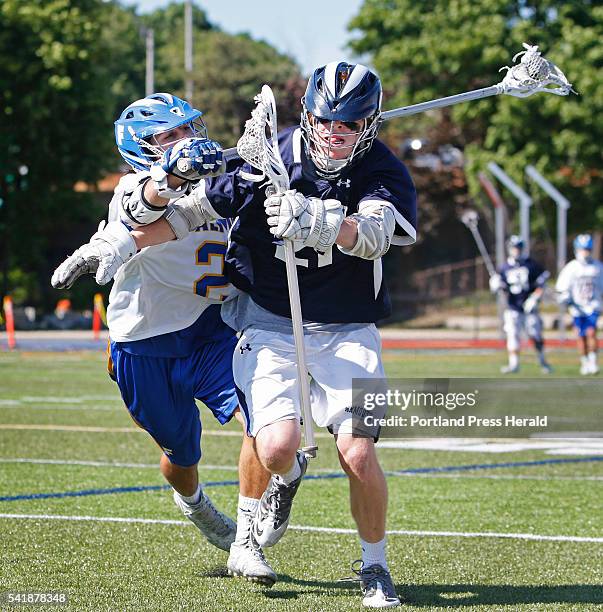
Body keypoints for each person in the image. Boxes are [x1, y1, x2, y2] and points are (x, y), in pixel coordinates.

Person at [54, 63, 417, 608]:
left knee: (355, 452)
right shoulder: (250, 159)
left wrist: (319, 220)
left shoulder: (379, 169)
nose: (335, 132)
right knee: (224, 449)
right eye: (324, 120)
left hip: (331, 326)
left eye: (350, 122)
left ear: (369, 123)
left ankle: (367, 565)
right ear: (308, 115)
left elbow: (374, 235)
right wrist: (119, 242)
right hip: (212, 331)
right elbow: (168, 210)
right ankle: (222, 497)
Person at [51, 93, 275, 585]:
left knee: (266, 421)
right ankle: (193, 502)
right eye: (167, 136)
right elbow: (143, 207)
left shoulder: (219, 178)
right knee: (181, 456)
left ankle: (249, 538)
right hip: (144, 345)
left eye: (186, 129)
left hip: (213, 329)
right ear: (140, 149)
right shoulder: (135, 186)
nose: (184, 140)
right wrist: (169, 175)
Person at [489, 235, 553, 374]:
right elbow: (500, 285)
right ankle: (514, 364)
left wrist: (535, 297)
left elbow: (542, 283)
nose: (516, 250)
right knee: (512, 334)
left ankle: (543, 361)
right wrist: (496, 284)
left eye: (518, 247)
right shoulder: (504, 267)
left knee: (535, 334)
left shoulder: (531, 264)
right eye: (513, 248)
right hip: (512, 307)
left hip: (529, 307)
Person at [556, 234, 603, 375]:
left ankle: (593, 362)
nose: (585, 253)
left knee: (591, 332)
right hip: (577, 307)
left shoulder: (598, 267)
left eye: (587, 250)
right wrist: (565, 297)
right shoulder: (571, 268)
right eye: (582, 249)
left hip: (592, 305)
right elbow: (562, 288)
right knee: (581, 336)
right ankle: (585, 362)